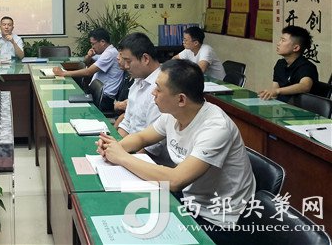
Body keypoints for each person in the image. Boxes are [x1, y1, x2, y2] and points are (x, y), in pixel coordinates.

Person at [97, 60, 255, 243]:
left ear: (181, 99)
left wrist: (122, 157)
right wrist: (115, 147)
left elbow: (175, 181)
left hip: (218, 217)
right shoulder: (173, 114)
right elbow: (141, 138)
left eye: (158, 89)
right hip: (190, 199)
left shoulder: (216, 127)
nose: (153, 92)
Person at [53, 28, 123, 112]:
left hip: (104, 99)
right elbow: (85, 62)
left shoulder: (110, 54)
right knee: (66, 100)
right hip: (96, 94)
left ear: (102, 42)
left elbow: (88, 72)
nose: (92, 47)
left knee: (67, 104)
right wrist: (89, 56)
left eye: (93, 44)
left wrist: (64, 73)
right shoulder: (104, 52)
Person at [115, 33, 162, 141]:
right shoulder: (137, 81)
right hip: (129, 145)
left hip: (143, 149)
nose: (126, 66)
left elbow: (153, 143)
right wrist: (116, 144)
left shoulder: (160, 88)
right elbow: (127, 123)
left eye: (128, 61)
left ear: (145, 59)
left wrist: (120, 149)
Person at [259, 26, 319, 103]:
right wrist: (267, 94)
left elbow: (305, 86)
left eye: (283, 40)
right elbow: (274, 91)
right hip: (282, 107)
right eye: (280, 40)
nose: (278, 43)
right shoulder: (280, 64)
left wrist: (277, 91)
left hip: (301, 108)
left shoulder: (307, 67)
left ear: (296, 48)